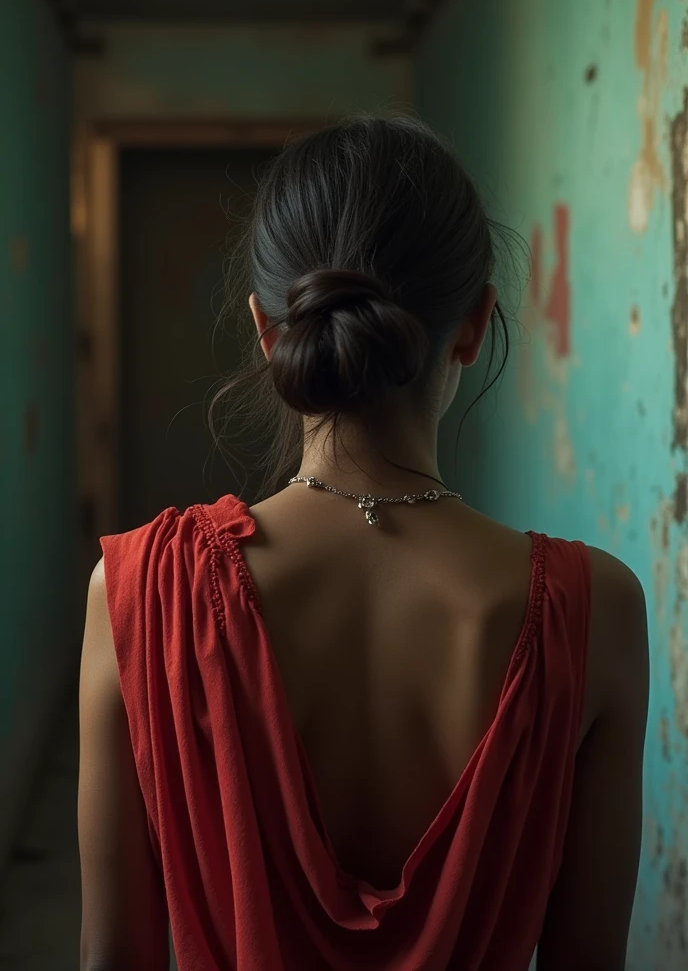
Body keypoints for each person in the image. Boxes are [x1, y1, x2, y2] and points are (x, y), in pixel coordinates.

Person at [78, 116, 648, 971]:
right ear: (473, 324)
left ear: (267, 330)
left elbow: (113, 957)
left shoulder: (136, 593)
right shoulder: (596, 608)